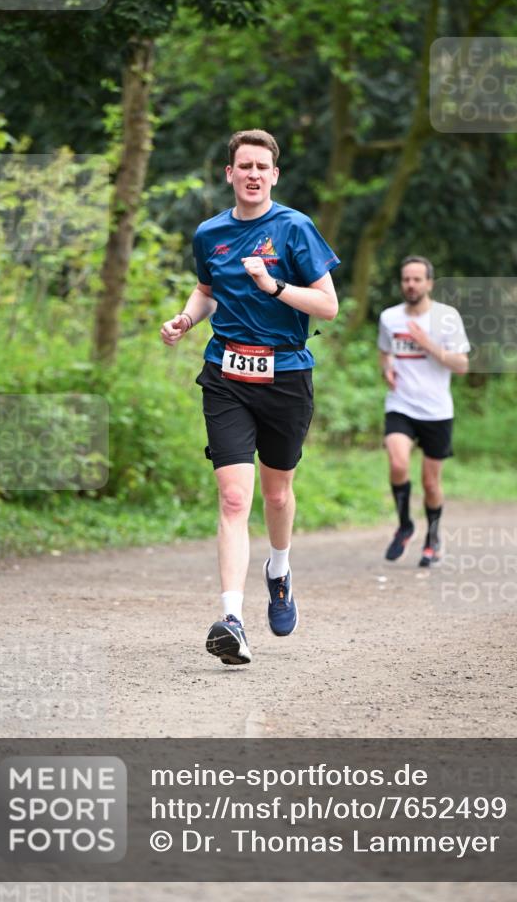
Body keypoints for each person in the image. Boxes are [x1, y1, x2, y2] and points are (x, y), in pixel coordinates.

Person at [161, 129, 340, 666]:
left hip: (285, 375)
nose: (253, 174)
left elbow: (328, 306)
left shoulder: (294, 228)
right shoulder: (209, 233)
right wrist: (186, 318)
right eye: (245, 166)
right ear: (230, 173)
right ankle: (232, 621)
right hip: (227, 374)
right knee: (235, 499)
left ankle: (279, 571)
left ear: (275, 175)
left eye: (262, 166)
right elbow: (206, 290)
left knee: (277, 495)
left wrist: (275, 287)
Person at [377, 256, 470, 566]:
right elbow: (384, 353)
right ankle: (405, 525)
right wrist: (387, 369)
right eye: (406, 279)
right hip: (401, 404)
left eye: (417, 279)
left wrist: (427, 344)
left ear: (429, 283)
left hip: (436, 410)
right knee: (398, 462)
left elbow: (462, 365)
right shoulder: (389, 318)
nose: (411, 285)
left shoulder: (447, 318)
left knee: (431, 483)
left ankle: (433, 537)